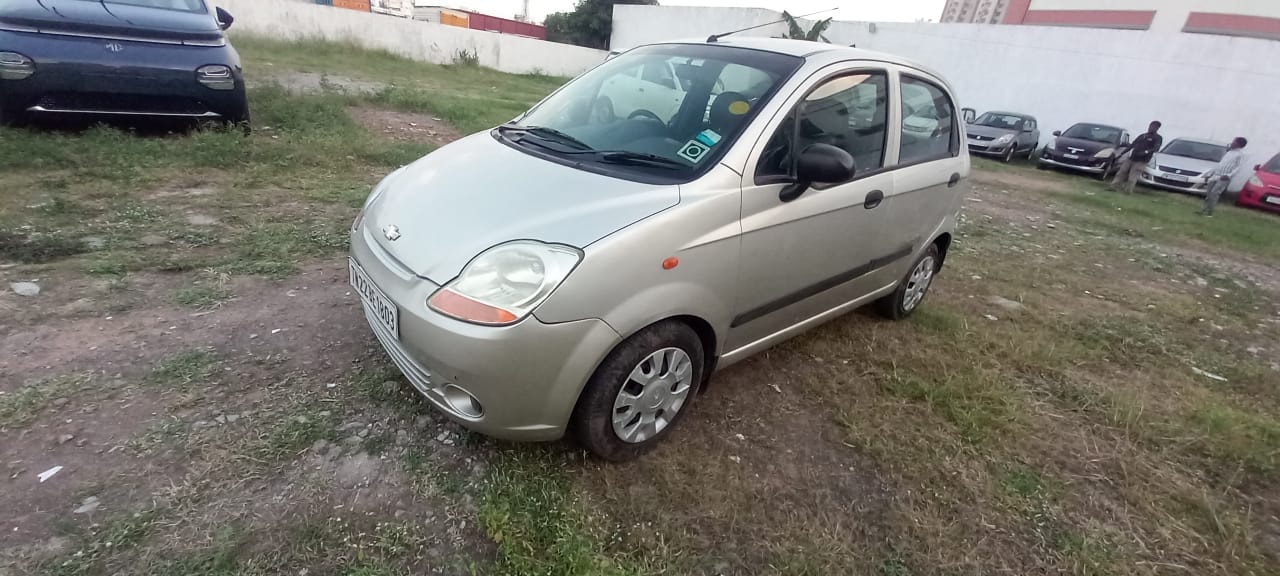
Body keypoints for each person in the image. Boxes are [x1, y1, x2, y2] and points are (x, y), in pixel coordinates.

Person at [1199, 137, 1248, 216]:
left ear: (1239, 144)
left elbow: (1238, 167)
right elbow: (1220, 164)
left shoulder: (1240, 155)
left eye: (1234, 142)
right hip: (1216, 175)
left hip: (1224, 177)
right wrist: (1210, 174)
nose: (1232, 143)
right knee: (1208, 193)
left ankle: (1209, 213)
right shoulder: (1229, 152)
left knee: (1214, 193)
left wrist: (1228, 175)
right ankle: (1204, 210)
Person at [1110, 121, 1163, 194]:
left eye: (1153, 127)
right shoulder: (1143, 136)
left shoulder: (1157, 138)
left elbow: (1156, 148)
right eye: (1150, 126)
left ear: (1157, 128)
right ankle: (1113, 187)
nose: (1151, 128)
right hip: (1131, 158)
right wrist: (1121, 154)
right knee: (1121, 172)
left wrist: (1146, 152)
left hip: (1142, 160)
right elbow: (1132, 145)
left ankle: (1127, 191)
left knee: (1133, 176)